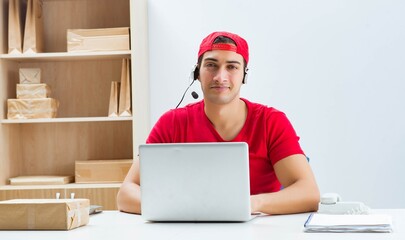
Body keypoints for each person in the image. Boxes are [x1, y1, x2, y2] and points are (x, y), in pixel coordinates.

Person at [117, 31, 320, 215]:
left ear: (244, 76)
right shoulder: (172, 123)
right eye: (211, 65)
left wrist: (250, 204)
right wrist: (184, 206)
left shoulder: (271, 121)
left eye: (231, 67)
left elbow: (308, 193)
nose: (220, 77)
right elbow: (126, 193)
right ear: (197, 73)